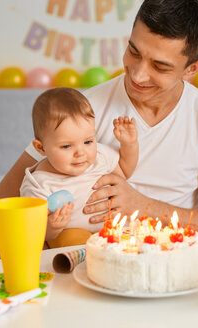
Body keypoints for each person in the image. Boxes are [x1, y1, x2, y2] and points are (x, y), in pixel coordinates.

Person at [0, 0, 198, 244]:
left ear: (192, 69)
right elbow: (3, 203)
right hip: (87, 260)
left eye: (160, 66)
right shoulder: (83, 109)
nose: (137, 75)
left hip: (170, 257)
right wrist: (51, 229)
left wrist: (143, 206)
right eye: (134, 52)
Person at [20, 87, 138, 247]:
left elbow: (124, 171)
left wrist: (129, 144)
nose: (80, 153)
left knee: (134, 236)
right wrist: (53, 226)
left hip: (109, 227)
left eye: (88, 142)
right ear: (40, 148)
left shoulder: (99, 156)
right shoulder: (39, 183)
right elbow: (35, 231)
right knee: (77, 243)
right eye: (67, 146)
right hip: (69, 232)